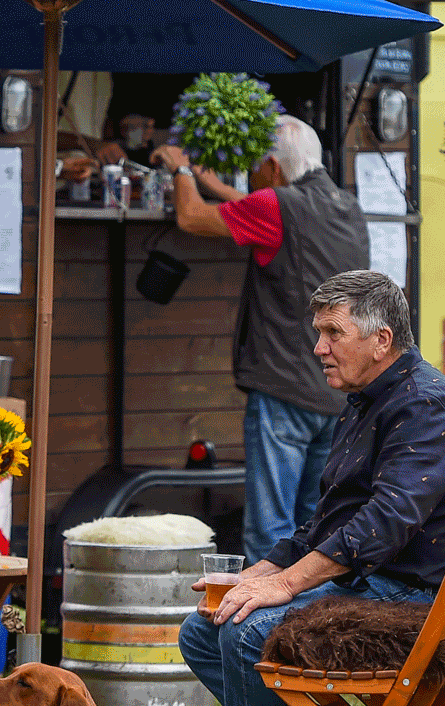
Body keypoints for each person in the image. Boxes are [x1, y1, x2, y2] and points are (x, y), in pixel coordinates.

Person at [178, 270, 445, 706]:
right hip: (382, 582)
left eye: (331, 333)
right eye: (318, 332)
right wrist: (264, 570)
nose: (317, 347)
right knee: (203, 627)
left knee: (250, 631)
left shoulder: (426, 405)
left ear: (382, 341)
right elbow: (329, 520)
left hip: (414, 601)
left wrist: (288, 584)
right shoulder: (371, 398)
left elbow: (383, 524)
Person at [154, 117, 370, 563]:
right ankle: (304, 624)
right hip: (335, 390)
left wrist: (180, 170)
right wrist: (212, 182)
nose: (250, 177)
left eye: (254, 168)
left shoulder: (278, 206)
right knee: (317, 525)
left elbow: (190, 218)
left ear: (272, 166)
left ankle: (258, 629)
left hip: (284, 389)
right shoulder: (344, 205)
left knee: (270, 529)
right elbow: (266, 212)